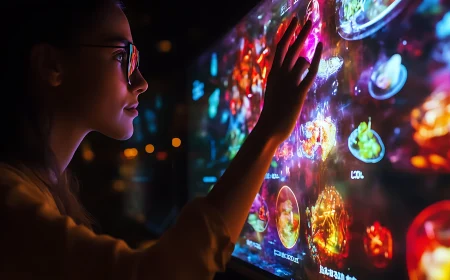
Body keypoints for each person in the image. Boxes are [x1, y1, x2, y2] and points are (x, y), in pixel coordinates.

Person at [0, 0, 322, 279]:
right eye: (121, 57)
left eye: (136, 60)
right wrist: (269, 131)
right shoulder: (10, 204)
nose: (140, 82)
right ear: (51, 65)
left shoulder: (37, 190)